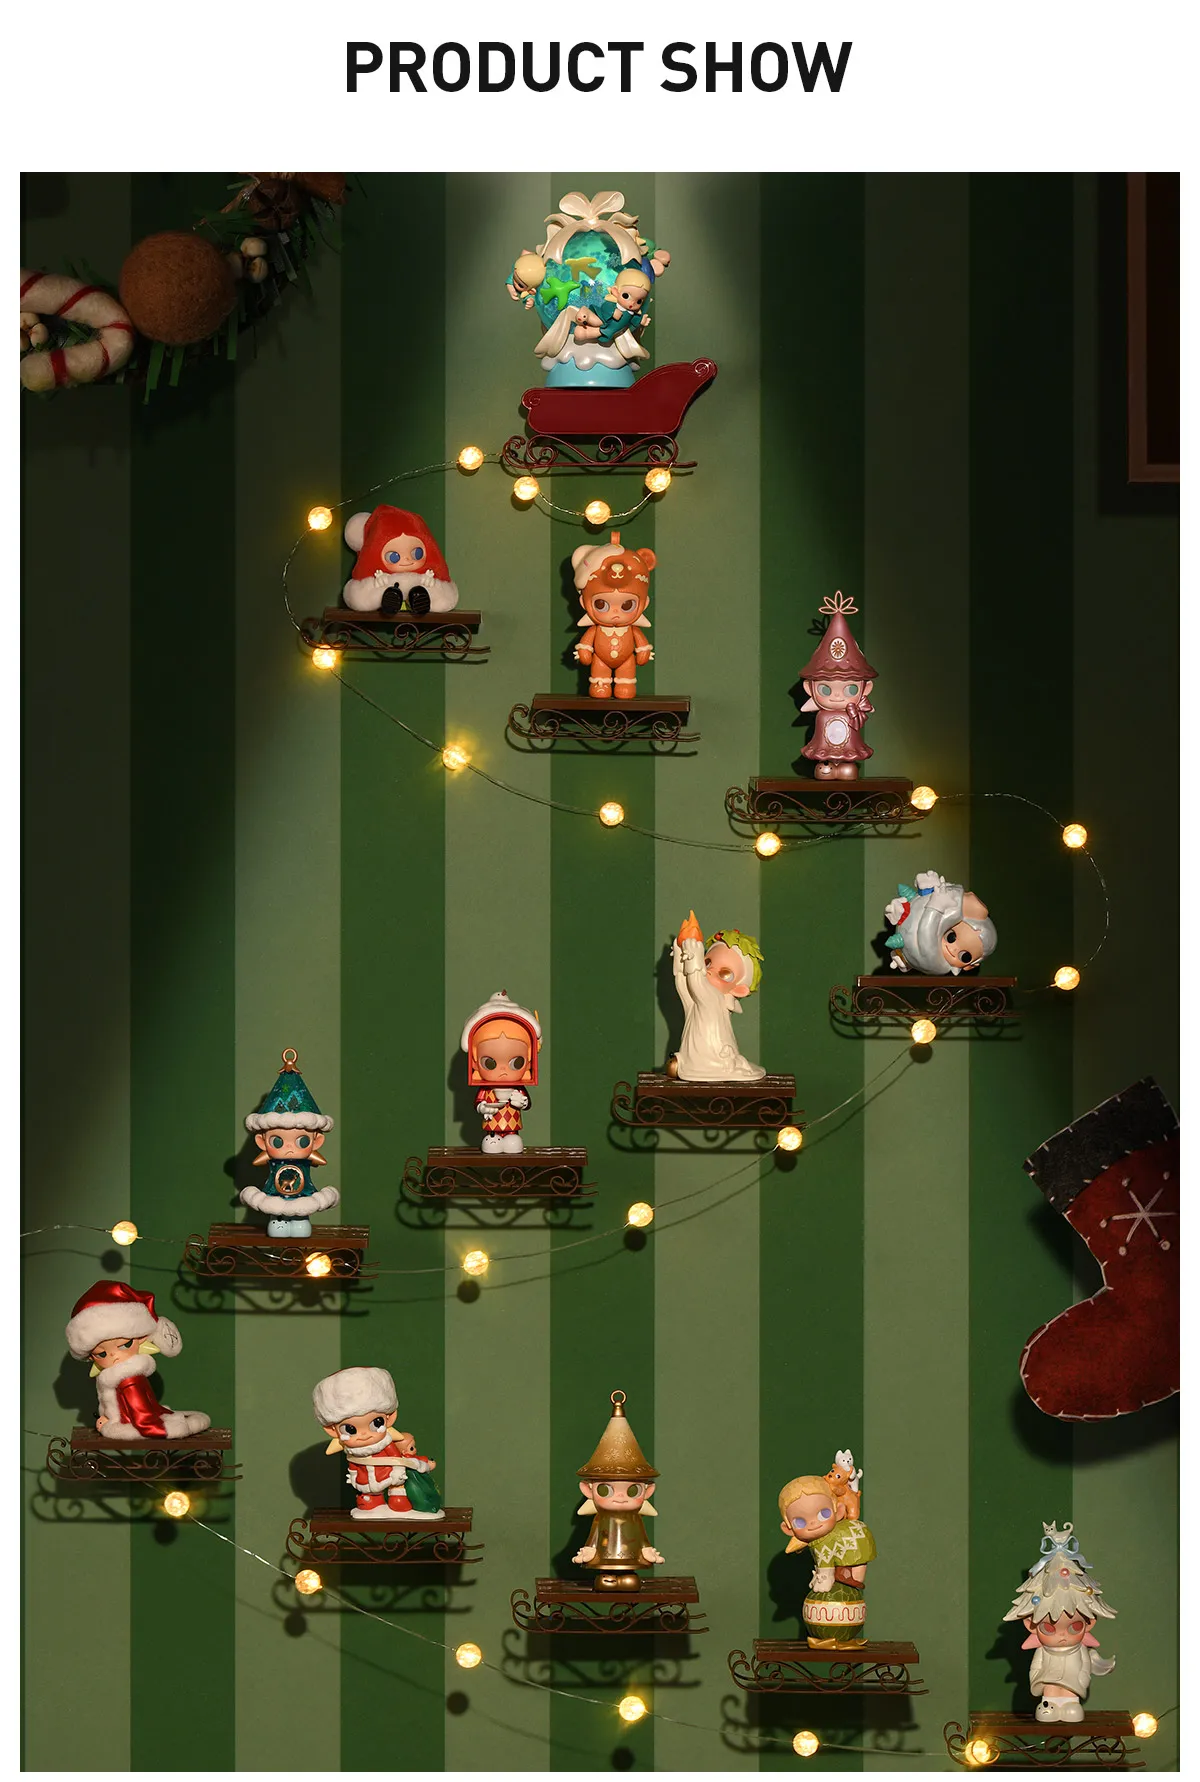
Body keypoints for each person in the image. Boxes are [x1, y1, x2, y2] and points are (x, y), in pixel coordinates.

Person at [65, 1281, 211, 1441]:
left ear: (141, 1339)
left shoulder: (129, 1380)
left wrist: (160, 1430)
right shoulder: (116, 1377)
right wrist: (108, 1418)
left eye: (125, 1345)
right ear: (90, 1356)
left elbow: (143, 1418)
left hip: (133, 1427)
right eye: (102, 1354)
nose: (114, 1356)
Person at [1003, 1522, 1116, 1722]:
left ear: (1089, 1624)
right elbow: (1035, 1668)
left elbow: (1084, 1667)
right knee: (1050, 1698)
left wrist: (1081, 1680)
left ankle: (1071, 1705)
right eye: (1049, 1628)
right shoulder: (1043, 1651)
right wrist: (1037, 1680)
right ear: (1031, 1626)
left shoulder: (1079, 1650)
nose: (1062, 1635)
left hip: (1072, 1688)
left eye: (1075, 1627)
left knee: (1071, 1705)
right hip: (1048, 1687)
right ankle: (1049, 1705)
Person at [313, 1365, 443, 1522]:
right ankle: (373, 1502)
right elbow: (353, 1466)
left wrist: (397, 1473)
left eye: (376, 1423)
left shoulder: (386, 1444)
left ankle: (397, 1498)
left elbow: (397, 1459)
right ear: (333, 1431)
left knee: (398, 1498)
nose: (364, 1435)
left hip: (389, 1476)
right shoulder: (353, 1452)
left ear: (389, 1418)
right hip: (365, 1480)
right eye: (350, 1429)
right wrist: (354, 1476)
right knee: (368, 1501)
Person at [779, 1470, 877, 1647]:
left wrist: (824, 1577)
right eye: (800, 1522)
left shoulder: (824, 1541)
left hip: (857, 1548)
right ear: (788, 1529)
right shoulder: (819, 1541)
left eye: (823, 1514)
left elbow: (825, 1564)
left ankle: (848, 1578)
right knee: (851, 1573)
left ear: (838, 1512)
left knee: (853, 1574)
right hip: (857, 1544)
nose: (813, 1524)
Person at [672, 911, 766, 1082]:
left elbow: (697, 983)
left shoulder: (714, 998)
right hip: (693, 1061)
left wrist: (694, 959)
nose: (710, 971)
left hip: (711, 1061)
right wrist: (681, 957)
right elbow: (684, 987)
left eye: (725, 973)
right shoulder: (699, 1001)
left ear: (738, 989)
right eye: (707, 962)